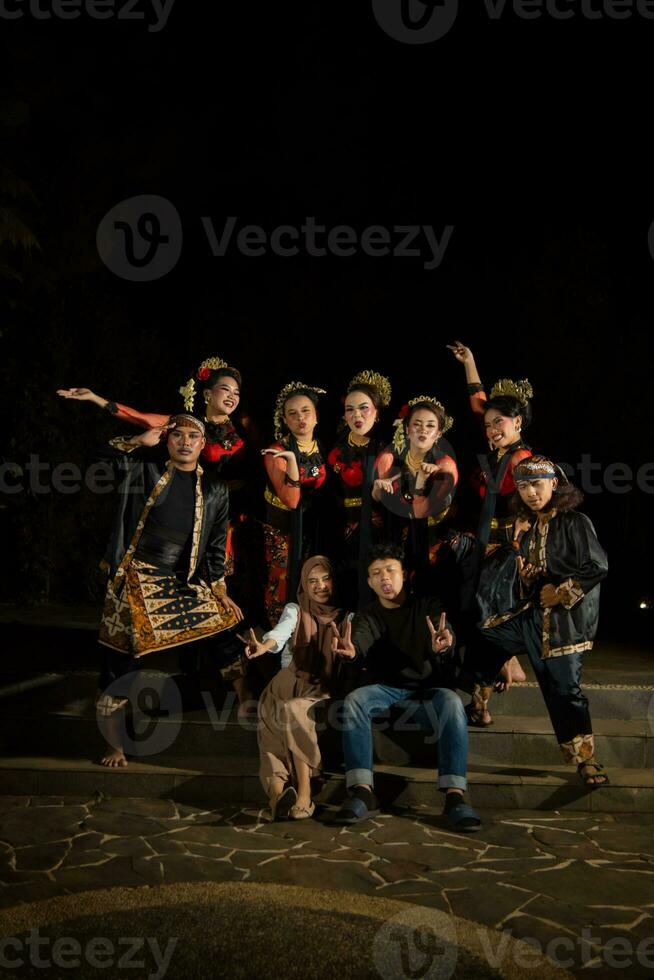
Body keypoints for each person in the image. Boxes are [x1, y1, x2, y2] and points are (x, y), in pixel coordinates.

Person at [93, 415, 247, 766]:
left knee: (222, 620)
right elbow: (101, 457)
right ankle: (114, 742)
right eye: (178, 435)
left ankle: (245, 696)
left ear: (203, 443)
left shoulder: (215, 489)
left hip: (182, 580)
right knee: (121, 654)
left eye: (193, 436)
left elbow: (215, 545)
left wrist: (219, 588)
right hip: (135, 574)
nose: (185, 442)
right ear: (168, 440)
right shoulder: (143, 472)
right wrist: (136, 441)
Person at [466, 456, 609, 786]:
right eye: (523, 486)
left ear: (554, 484)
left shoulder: (575, 522)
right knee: (486, 636)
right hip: (532, 617)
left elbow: (597, 567)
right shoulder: (529, 528)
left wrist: (560, 593)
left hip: (564, 624)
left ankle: (585, 760)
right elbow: (535, 573)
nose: (531, 492)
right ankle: (479, 703)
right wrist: (529, 576)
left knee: (565, 690)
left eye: (537, 484)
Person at [330, 544, 481, 832]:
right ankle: (362, 791)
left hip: (426, 693)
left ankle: (455, 796)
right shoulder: (369, 615)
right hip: (385, 691)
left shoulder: (428, 606)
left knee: (451, 702)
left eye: (390, 570)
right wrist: (352, 651)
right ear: (370, 582)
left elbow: (442, 630)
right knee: (354, 701)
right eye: (376, 573)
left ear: (405, 575)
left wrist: (445, 644)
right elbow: (360, 639)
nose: (384, 578)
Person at [241, 556, 356, 820]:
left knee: (293, 712)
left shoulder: (348, 616)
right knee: (270, 737)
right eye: (313, 580)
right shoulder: (295, 609)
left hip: (321, 686)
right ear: (304, 583)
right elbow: (280, 634)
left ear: (334, 581)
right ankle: (278, 793)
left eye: (326, 578)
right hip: (286, 680)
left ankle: (304, 792)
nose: (320, 586)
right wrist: (264, 647)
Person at [447, 341, 532, 691]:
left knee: (490, 606)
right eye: (488, 425)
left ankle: (498, 669)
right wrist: (470, 362)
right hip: (487, 540)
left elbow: (537, 501)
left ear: (518, 422)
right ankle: (502, 665)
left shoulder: (519, 457)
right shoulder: (498, 452)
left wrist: (517, 543)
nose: (491, 428)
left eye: (499, 422)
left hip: (506, 545)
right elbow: (478, 404)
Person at [373, 396, 458, 601]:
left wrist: (423, 481)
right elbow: (378, 500)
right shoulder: (391, 458)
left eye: (430, 426)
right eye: (417, 424)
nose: (423, 430)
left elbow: (421, 512)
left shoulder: (444, 465)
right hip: (396, 535)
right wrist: (376, 489)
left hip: (431, 540)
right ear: (407, 429)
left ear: (438, 434)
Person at [260, 381, 327, 626]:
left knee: (311, 579)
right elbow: (291, 498)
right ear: (285, 420)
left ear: (316, 416)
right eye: (292, 413)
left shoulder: (324, 446)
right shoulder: (275, 451)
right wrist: (290, 461)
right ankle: (277, 638)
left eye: (305, 411)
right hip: (282, 527)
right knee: (282, 580)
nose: (300, 418)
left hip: (311, 525)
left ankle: (308, 632)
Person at [326, 370, 392, 608]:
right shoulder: (335, 450)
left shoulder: (385, 450)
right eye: (350, 409)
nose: (356, 415)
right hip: (339, 527)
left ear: (377, 412)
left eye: (363, 408)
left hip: (374, 531)